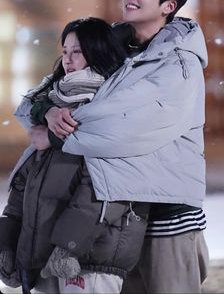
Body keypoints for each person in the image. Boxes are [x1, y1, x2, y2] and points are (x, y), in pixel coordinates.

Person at [31, 0, 209, 294]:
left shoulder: (179, 63)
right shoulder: (106, 45)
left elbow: (126, 127)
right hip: (109, 209)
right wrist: (46, 112)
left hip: (165, 210)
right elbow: (44, 92)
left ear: (168, 6)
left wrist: (56, 138)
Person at [0, 17, 149, 294]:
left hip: (92, 254)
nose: (68, 59)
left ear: (97, 51)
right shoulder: (54, 105)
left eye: (77, 51)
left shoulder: (112, 106)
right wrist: (8, 242)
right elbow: (25, 181)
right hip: (49, 251)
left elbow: (104, 189)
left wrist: (68, 246)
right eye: (65, 51)